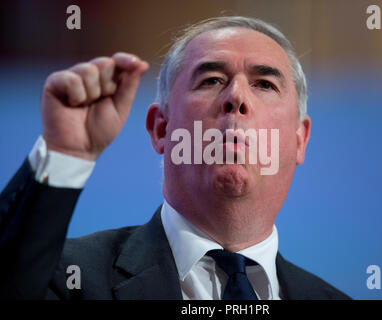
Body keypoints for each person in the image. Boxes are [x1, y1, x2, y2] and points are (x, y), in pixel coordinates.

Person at [0, 16, 350, 300]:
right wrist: (66, 153)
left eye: (264, 84)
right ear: (161, 129)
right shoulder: (66, 279)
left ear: (299, 139)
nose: (237, 97)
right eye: (212, 80)